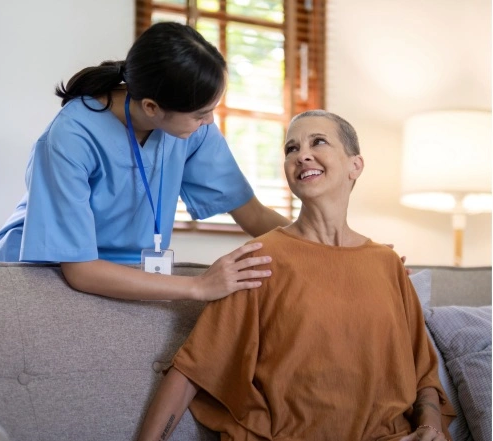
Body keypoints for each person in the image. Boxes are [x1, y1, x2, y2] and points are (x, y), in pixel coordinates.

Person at [137, 110, 455, 441]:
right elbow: (193, 370)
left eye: (318, 142)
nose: (301, 155)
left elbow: (424, 378)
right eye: (291, 149)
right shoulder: (258, 259)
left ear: (355, 165)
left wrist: (430, 428)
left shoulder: (387, 264)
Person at [0, 22, 290, 302]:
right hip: (46, 272)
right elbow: (81, 271)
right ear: (152, 107)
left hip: (127, 273)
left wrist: (329, 245)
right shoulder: (70, 137)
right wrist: (199, 286)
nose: (209, 120)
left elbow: (253, 214)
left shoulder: (192, 129)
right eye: (201, 113)